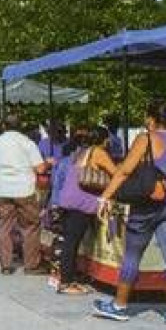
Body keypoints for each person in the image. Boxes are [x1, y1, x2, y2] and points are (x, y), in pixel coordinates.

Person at [93, 101, 166, 329]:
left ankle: (119, 306)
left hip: (146, 206)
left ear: (151, 119)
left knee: (132, 254)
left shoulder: (145, 139)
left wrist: (105, 197)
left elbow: (124, 171)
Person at [47, 125, 115, 296]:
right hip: (81, 203)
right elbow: (116, 173)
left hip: (69, 200)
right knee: (72, 242)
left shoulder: (82, 153)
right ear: (104, 140)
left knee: (71, 241)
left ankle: (67, 279)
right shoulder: (98, 153)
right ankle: (66, 282)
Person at [0, 112, 49, 275]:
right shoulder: (28, 143)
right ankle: (31, 265)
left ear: (4, 126)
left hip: (2, 190)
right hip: (25, 189)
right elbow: (40, 168)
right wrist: (47, 163)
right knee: (30, 226)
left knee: (4, 227)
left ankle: (6, 265)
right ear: (21, 126)